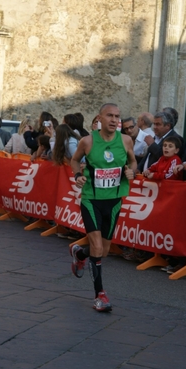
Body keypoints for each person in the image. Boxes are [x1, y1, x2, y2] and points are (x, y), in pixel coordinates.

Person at [70, 103, 136, 312]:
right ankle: (100, 295)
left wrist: (132, 172)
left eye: (117, 116)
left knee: (104, 250)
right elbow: (74, 160)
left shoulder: (126, 140)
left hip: (114, 201)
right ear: (99, 118)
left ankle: (80, 254)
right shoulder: (87, 141)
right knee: (97, 247)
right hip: (91, 199)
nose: (114, 120)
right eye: (110, 116)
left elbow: (133, 163)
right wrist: (78, 175)